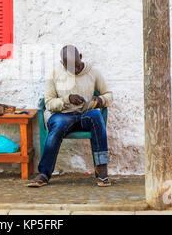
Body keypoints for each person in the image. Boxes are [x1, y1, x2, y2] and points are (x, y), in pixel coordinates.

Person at [28, 45, 113, 188]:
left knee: (96, 116)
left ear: (80, 57)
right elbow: (48, 103)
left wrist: (98, 101)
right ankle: (44, 174)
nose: (75, 70)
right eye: (70, 67)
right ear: (63, 63)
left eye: (77, 66)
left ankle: (102, 169)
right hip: (62, 115)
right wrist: (67, 99)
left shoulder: (93, 73)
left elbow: (108, 95)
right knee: (58, 126)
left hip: (85, 115)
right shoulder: (54, 73)